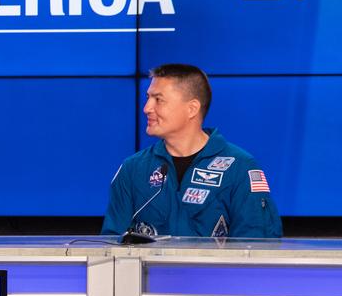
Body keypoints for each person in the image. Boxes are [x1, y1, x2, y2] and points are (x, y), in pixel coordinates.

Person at [102, 64, 281, 239]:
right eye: (148, 98)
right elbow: (111, 248)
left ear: (192, 109)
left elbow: (257, 248)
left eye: (158, 99)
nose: (147, 108)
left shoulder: (240, 167)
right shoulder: (133, 169)